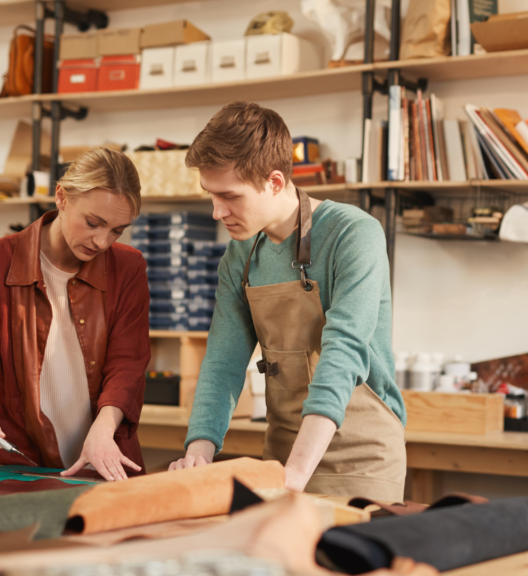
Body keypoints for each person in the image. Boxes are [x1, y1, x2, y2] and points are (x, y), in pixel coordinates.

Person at [169, 102, 407, 502]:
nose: (216, 212)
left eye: (229, 196)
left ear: (275, 182)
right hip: (281, 455)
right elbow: (223, 363)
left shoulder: (354, 235)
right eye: (210, 195)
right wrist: (199, 451)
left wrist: (297, 473)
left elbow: (343, 353)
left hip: (361, 459)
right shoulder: (239, 256)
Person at [0, 148, 151, 482]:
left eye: (117, 231)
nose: (102, 241)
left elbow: (128, 363)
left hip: (103, 465)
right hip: (13, 468)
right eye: (93, 223)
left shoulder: (128, 267)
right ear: (62, 197)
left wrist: (103, 429)